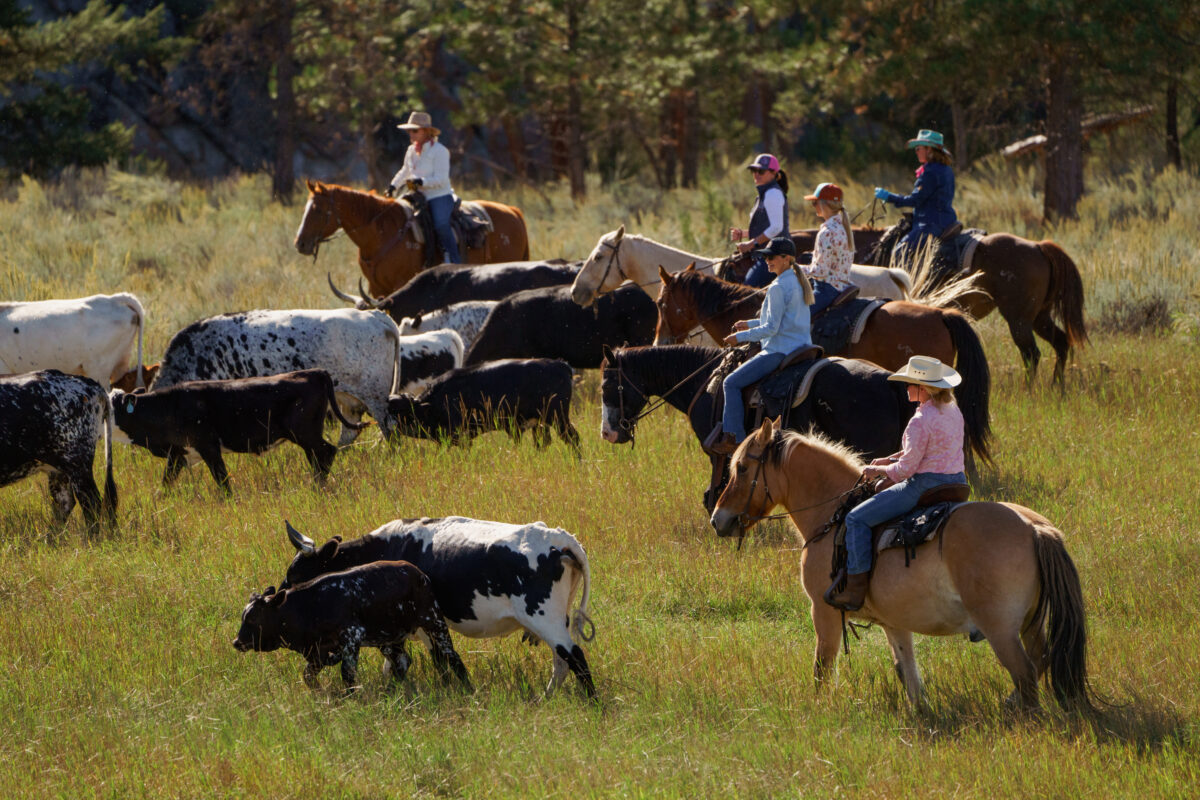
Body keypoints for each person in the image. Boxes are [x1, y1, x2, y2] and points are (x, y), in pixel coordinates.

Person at [824, 355, 967, 612]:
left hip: (925, 486)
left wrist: (875, 469)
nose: (907, 388)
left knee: (856, 519)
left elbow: (906, 470)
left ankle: (855, 591)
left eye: (910, 384)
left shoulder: (919, 421)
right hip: (957, 482)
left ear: (923, 389)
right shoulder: (952, 410)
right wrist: (891, 457)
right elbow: (932, 449)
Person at [710, 237, 815, 456]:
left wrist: (740, 338)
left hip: (779, 350)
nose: (767, 261)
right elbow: (780, 320)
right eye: (765, 257)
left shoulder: (777, 287)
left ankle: (734, 438)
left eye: (771, 257)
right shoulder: (797, 281)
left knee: (731, 383)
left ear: (786, 259)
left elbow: (771, 329)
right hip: (800, 346)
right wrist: (748, 323)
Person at [873, 129, 958, 266]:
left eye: (918, 148)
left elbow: (915, 200)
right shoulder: (945, 168)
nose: (916, 151)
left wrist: (890, 197)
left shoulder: (930, 171)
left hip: (931, 223)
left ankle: (912, 286)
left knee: (900, 252)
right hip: (946, 220)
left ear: (929, 149)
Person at [386, 110, 460, 264]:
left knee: (440, 224)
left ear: (426, 132)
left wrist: (421, 182)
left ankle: (454, 260)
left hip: (438, 196)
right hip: (416, 195)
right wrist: (393, 185)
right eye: (409, 131)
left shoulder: (440, 151)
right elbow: (405, 171)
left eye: (414, 130)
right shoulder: (411, 150)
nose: (411, 134)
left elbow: (442, 179)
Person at [729, 154, 789, 288]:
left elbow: (776, 228)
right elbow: (767, 227)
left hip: (775, 255)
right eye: (754, 171)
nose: (756, 174)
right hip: (767, 253)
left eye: (761, 171)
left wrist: (751, 244)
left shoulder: (772, 193)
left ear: (774, 173)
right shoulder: (765, 193)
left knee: (747, 289)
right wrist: (743, 234)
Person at [802, 182, 856, 315]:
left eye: (815, 203)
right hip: (842, 288)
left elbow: (821, 271)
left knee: (792, 319)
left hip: (826, 290)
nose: (814, 206)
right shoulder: (843, 228)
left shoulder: (826, 232)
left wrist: (794, 268)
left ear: (823, 204)